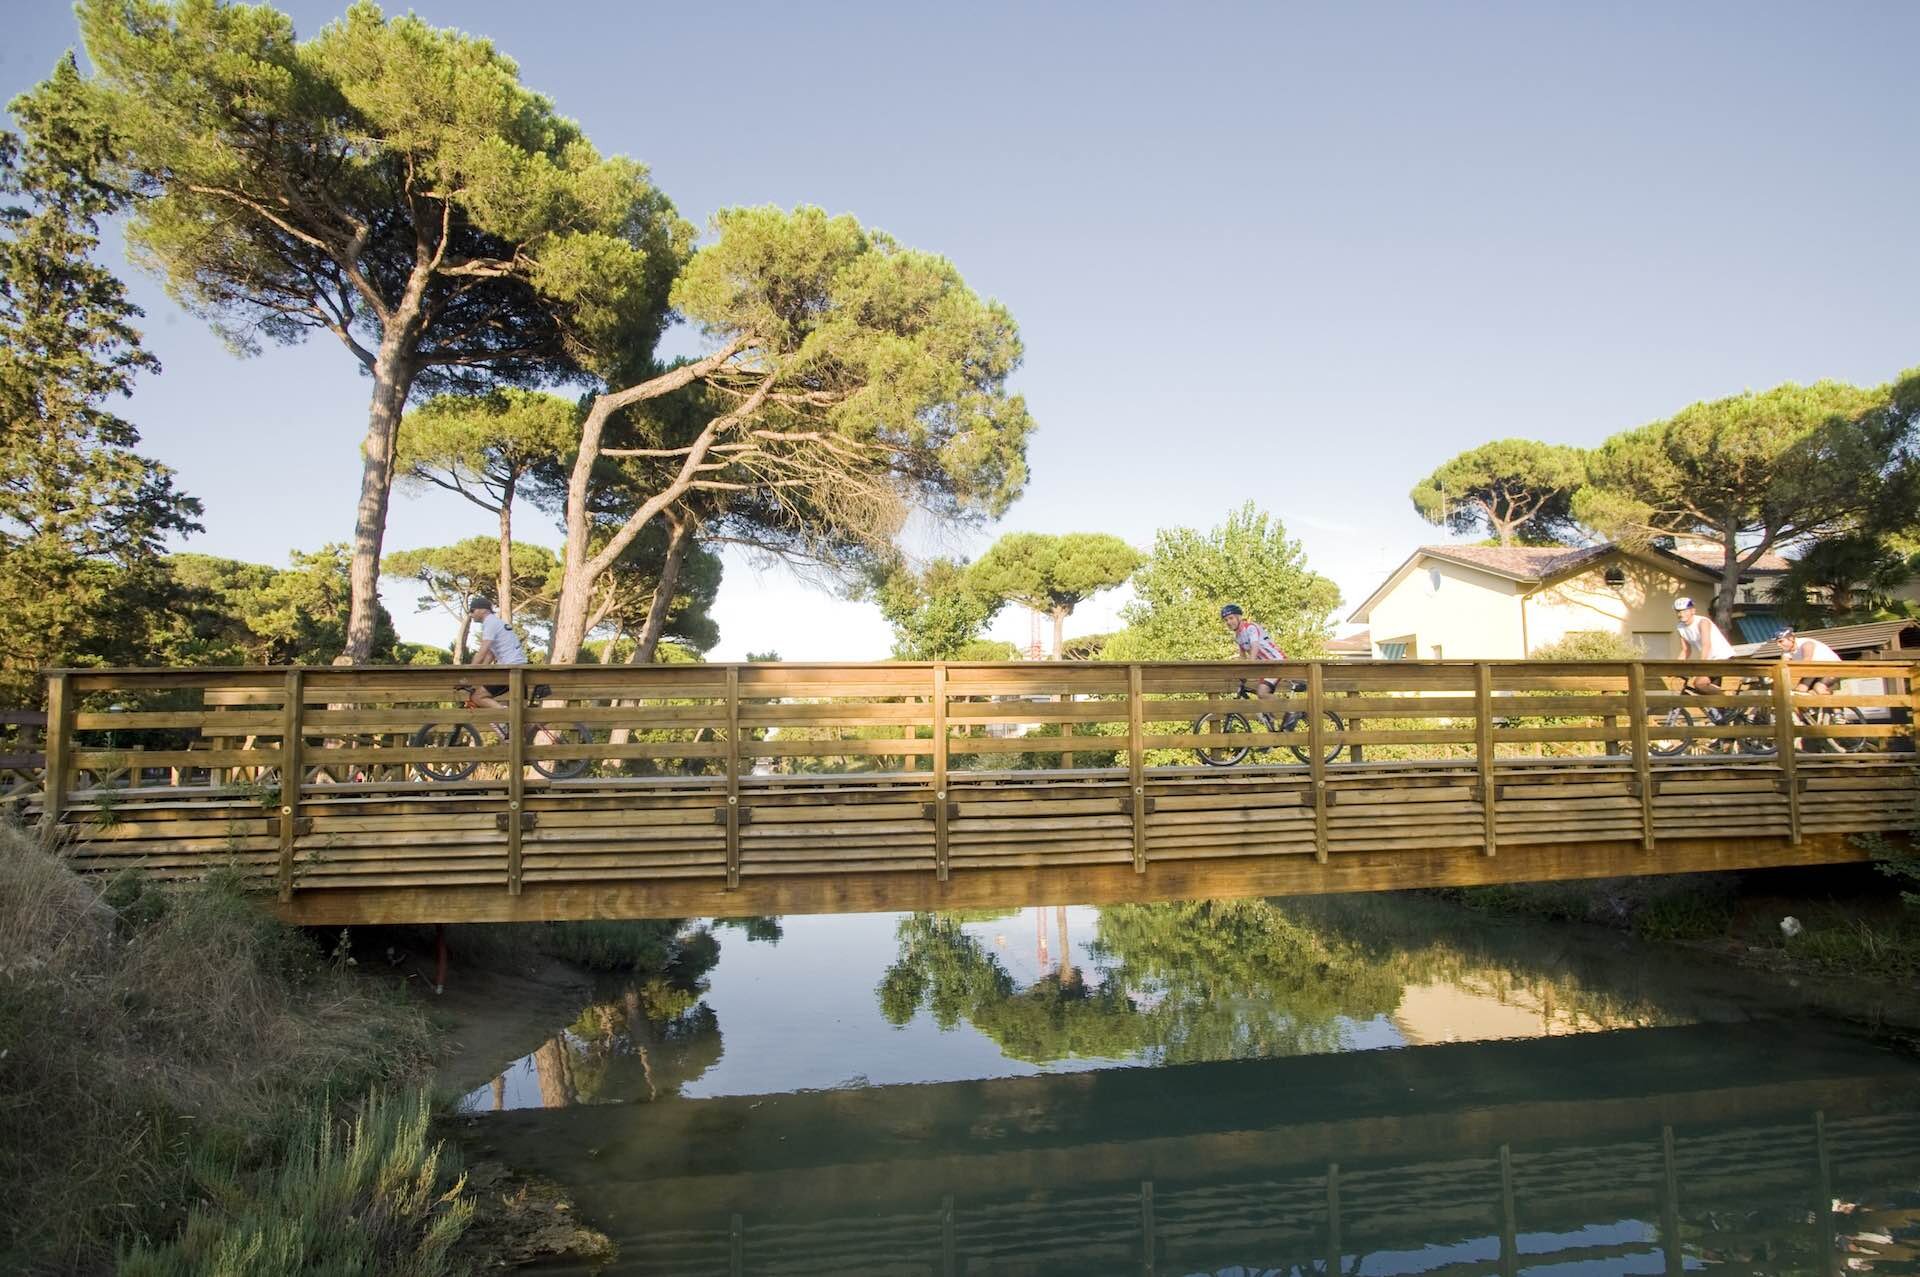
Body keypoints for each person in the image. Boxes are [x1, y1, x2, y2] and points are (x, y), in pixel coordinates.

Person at [1672, 596, 1735, 716]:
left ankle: (1731, 703)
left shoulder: (1702, 622)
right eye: (1678, 611)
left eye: (1684, 610)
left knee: (1699, 684)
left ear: (1692, 611)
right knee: (1714, 703)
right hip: (1710, 661)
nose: (1681, 614)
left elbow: (1706, 645)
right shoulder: (1680, 627)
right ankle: (1725, 726)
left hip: (1722, 657)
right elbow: (1685, 650)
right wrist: (1674, 667)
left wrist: (1701, 666)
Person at [467, 597, 526, 711]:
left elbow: (483, 651)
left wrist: (468, 672)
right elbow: (490, 655)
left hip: (511, 668)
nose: (470, 614)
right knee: (506, 703)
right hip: (515, 666)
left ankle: (506, 718)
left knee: (478, 696)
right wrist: (480, 673)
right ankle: (508, 721)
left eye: (472, 610)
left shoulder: (490, 623)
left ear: (483, 610)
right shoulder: (495, 622)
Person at [1220, 603, 1287, 696]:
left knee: (1262, 693)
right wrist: (1235, 671)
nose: (1228, 622)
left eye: (1231, 618)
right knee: (1262, 699)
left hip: (1277, 661)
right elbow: (1242, 657)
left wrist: (1249, 667)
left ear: (1239, 617)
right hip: (1265, 666)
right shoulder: (1238, 636)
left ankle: (1284, 709)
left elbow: (1254, 646)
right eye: (1226, 620)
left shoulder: (1250, 628)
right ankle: (1280, 710)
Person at [1773, 625, 1843, 694]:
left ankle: (1835, 703)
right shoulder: (1786, 652)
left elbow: (1806, 662)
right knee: (1800, 690)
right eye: (1777, 643)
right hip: (1814, 670)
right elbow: (1783, 666)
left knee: (1819, 688)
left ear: (1791, 638)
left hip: (1832, 668)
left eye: (1781, 641)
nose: (1778, 645)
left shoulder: (1806, 644)